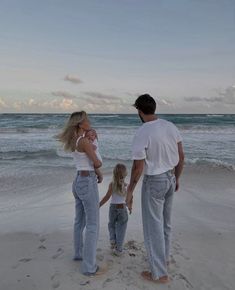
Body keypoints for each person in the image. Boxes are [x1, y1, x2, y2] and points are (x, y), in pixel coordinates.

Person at [126, 94, 184, 283]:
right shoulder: (170, 126)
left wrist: (129, 192)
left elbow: (138, 167)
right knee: (165, 223)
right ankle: (164, 260)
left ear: (139, 111)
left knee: (153, 228)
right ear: (154, 108)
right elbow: (181, 155)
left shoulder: (142, 132)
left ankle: (159, 274)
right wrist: (177, 178)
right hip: (169, 177)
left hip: (155, 181)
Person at [56, 111, 104, 276]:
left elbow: (87, 162)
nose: (89, 121)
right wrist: (95, 141)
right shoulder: (84, 141)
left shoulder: (75, 140)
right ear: (80, 123)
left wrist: (92, 144)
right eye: (86, 119)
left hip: (78, 180)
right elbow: (97, 161)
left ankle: (78, 254)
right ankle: (89, 267)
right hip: (87, 182)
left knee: (79, 221)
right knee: (93, 224)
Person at [100, 163, 129, 256]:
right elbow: (130, 198)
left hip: (112, 208)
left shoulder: (111, 184)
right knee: (121, 228)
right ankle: (119, 249)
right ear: (125, 174)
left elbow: (107, 196)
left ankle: (112, 239)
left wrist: (99, 205)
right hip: (122, 208)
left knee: (111, 224)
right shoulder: (126, 185)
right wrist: (130, 206)